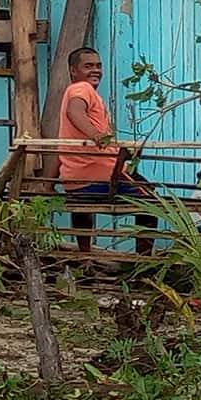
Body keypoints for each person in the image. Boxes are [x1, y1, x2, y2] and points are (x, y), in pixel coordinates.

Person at [56, 45, 157, 254]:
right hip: (101, 175)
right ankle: (144, 261)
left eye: (98, 66)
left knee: (83, 208)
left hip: (75, 180)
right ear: (74, 71)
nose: (96, 70)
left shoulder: (81, 92)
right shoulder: (80, 89)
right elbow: (74, 112)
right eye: (88, 66)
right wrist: (97, 136)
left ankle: (85, 255)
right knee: (151, 203)